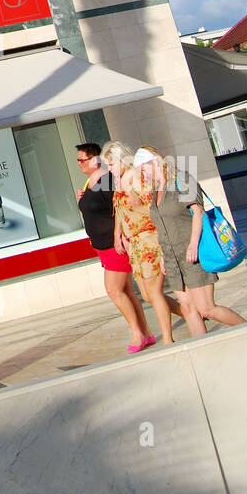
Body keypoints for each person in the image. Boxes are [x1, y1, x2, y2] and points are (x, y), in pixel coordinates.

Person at [133, 148, 246, 336]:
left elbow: (198, 212)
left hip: (192, 253)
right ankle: (203, 350)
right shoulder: (156, 190)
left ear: (154, 162)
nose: (143, 174)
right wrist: (163, 256)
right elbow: (162, 225)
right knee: (187, 309)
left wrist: (193, 244)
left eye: (143, 169)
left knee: (206, 308)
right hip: (172, 258)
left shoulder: (181, 180)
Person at [75, 142, 154, 353]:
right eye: (78, 160)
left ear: (94, 160)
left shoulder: (106, 180)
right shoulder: (89, 183)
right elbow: (90, 213)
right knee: (126, 290)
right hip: (101, 245)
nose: (79, 164)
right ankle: (145, 332)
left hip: (114, 244)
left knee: (114, 290)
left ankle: (138, 333)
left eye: (82, 159)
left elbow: (118, 209)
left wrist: (120, 236)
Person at [103, 140, 174, 346]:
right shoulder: (120, 181)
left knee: (154, 292)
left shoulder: (136, 177)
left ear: (120, 160)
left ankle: (167, 338)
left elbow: (153, 206)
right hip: (133, 242)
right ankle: (185, 310)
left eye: (111, 164)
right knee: (146, 295)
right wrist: (118, 234)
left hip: (148, 238)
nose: (109, 169)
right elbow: (120, 211)